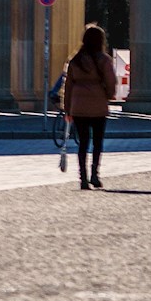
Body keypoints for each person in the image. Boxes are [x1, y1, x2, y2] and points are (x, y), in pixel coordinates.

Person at [62, 23, 118, 190]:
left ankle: (83, 178)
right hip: (98, 104)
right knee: (98, 142)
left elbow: (68, 86)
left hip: (78, 105)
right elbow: (110, 82)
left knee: (83, 142)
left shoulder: (75, 60)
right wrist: (108, 95)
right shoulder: (104, 60)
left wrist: (67, 109)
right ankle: (95, 174)